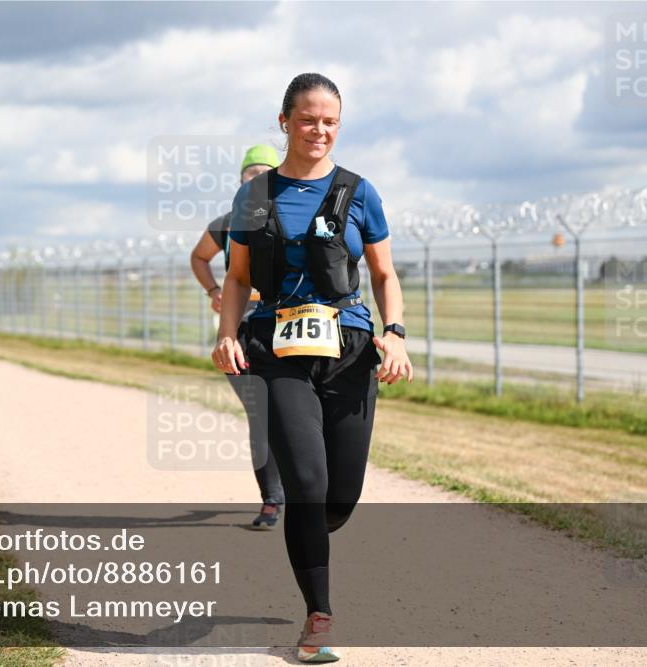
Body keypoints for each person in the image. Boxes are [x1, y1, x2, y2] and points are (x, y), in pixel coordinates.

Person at [212, 72, 412, 663]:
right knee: (306, 484)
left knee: (338, 498)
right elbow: (238, 278)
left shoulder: (359, 191)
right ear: (284, 123)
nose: (318, 130)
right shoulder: (255, 197)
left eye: (329, 121)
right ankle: (318, 617)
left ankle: (309, 537)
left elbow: (383, 275)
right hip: (277, 351)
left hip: (350, 350)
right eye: (307, 119)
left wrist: (394, 334)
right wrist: (227, 334)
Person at [190, 144, 286, 530]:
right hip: (240, 327)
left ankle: (307, 485)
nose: (257, 178)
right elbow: (199, 257)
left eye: (266, 172)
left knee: (294, 411)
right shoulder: (228, 223)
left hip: (285, 326)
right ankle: (272, 500)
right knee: (260, 413)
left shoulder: (289, 220)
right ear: (241, 180)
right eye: (251, 172)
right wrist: (215, 291)